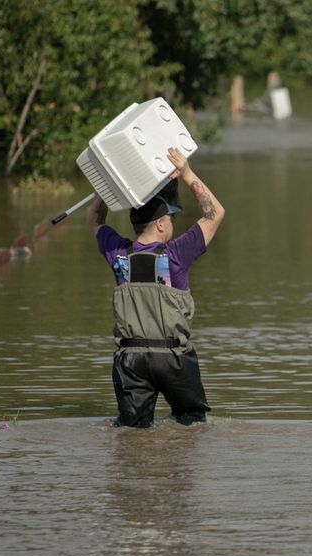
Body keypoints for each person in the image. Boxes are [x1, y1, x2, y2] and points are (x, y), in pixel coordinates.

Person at [89, 147, 225, 427]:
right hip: (172, 358)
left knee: (132, 432)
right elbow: (215, 214)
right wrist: (186, 173)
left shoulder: (118, 253)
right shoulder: (175, 255)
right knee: (193, 426)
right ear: (162, 225)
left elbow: (94, 219)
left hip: (131, 360)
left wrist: (107, 184)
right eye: (171, 220)